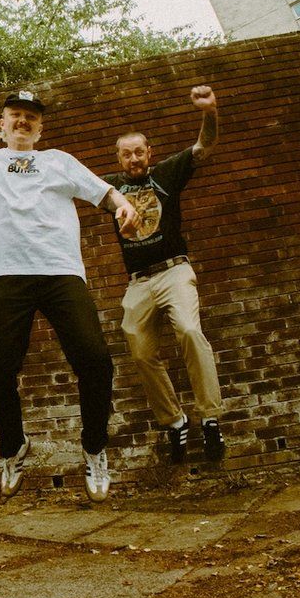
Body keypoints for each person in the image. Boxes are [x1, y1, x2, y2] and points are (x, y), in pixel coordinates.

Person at [0, 86, 140, 501]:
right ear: (2, 125)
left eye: (31, 117)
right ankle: (13, 447)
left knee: (95, 361)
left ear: (40, 129)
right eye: (16, 115)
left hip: (61, 273)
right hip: (8, 275)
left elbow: (103, 192)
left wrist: (123, 205)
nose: (23, 121)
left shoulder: (58, 160)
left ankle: (94, 448)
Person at [102, 84, 224, 464]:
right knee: (139, 349)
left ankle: (210, 418)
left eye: (139, 152)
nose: (134, 159)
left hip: (174, 271)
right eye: (126, 154)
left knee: (189, 331)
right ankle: (175, 421)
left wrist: (209, 112)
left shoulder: (167, 174)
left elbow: (204, 146)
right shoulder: (111, 188)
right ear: (119, 158)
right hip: (138, 281)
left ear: (149, 153)